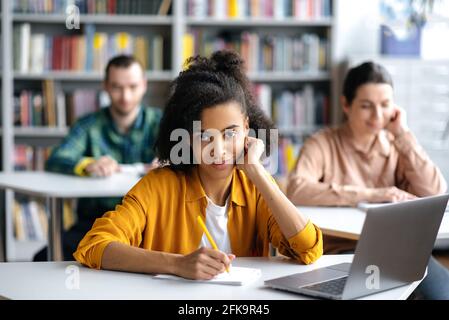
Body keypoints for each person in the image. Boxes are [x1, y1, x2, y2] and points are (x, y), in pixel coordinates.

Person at [73, 51, 323, 279]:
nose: (219, 150)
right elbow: (94, 246)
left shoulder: (255, 187)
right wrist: (176, 264)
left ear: (247, 128)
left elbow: (309, 249)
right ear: (186, 137)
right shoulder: (158, 187)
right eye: (204, 136)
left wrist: (257, 171)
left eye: (230, 133)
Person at [287, 61, 449, 299]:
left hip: (397, 249)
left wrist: (403, 134)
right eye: (366, 106)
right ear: (345, 104)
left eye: (385, 105)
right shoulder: (322, 143)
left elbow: (435, 192)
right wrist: (374, 194)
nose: (377, 116)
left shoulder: (397, 144)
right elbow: (295, 189)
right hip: (341, 253)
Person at [34, 55, 162, 261]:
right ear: (105, 86)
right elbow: (56, 158)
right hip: (94, 223)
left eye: (132, 87)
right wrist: (87, 164)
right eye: (117, 87)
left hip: (147, 223)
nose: (125, 96)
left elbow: (188, 156)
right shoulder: (89, 124)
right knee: (43, 260)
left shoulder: (161, 122)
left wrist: (171, 165)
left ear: (144, 85)